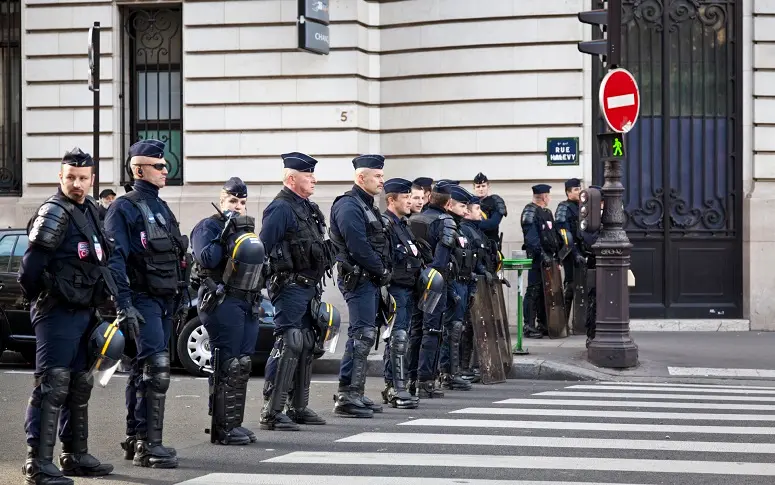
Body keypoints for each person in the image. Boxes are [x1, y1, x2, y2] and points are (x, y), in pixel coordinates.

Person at [19, 148, 115, 485]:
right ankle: (38, 463)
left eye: (83, 178)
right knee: (52, 384)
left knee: (79, 383)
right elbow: (29, 270)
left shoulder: (90, 211)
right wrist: (44, 301)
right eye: (70, 177)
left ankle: (75, 454)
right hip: (57, 312)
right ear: (60, 177)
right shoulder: (53, 211)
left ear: (91, 179)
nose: (77, 183)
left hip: (85, 310)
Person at [105, 139, 190, 469]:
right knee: (155, 368)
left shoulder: (162, 207)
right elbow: (115, 260)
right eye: (159, 166)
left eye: (166, 166)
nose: (165, 170)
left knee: (144, 369)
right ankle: (149, 446)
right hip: (141, 299)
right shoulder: (123, 208)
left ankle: (135, 438)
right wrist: (124, 304)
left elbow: (177, 256)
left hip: (164, 299)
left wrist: (182, 294)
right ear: (138, 169)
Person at [259, 152, 333, 430]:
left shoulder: (308, 208)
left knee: (305, 344)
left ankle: (297, 406)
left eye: (313, 174)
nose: (313, 179)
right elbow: (263, 247)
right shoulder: (280, 208)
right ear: (291, 178)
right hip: (289, 286)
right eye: (308, 175)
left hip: (308, 286)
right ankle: (272, 409)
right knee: (289, 342)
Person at [191, 177, 264, 445]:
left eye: (242, 202)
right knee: (228, 364)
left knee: (242, 364)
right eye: (232, 201)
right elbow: (206, 258)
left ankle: (234, 423)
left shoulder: (245, 229)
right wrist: (224, 234)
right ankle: (221, 427)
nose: (237, 207)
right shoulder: (208, 226)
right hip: (221, 301)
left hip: (246, 300)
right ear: (222, 201)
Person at [329, 154, 391, 417]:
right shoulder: (349, 205)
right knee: (360, 335)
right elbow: (358, 247)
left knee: (365, 335)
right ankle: (347, 395)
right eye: (377, 176)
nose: (382, 180)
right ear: (360, 177)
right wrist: (382, 270)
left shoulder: (367, 204)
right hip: (359, 279)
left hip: (370, 279)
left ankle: (356, 391)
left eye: (381, 175)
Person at [407, 180, 460, 398]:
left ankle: (410, 378)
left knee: (415, 330)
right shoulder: (446, 221)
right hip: (434, 283)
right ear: (448, 203)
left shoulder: (414, 218)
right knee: (432, 330)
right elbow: (441, 259)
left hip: (415, 280)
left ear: (430, 198)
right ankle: (425, 380)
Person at [380, 178, 423, 409]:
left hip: (408, 290)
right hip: (395, 290)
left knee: (401, 338)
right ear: (391, 200)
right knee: (397, 338)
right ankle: (396, 388)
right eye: (406, 197)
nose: (410, 201)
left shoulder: (403, 225)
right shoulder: (385, 224)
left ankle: (395, 386)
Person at [437, 185, 474, 391]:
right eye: (462, 206)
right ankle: (447, 372)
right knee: (451, 329)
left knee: (456, 329)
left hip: (463, 283)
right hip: (453, 283)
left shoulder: (460, 227)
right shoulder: (448, 225)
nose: (466, 211)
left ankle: (454, 370)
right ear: (450, 204)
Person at [520, 184, 561, 338]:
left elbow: (553, 235)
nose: (549, 198)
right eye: (548, 196)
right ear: (544, 197)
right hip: (537, 259)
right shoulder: (530, 211)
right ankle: (528, 326)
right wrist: (542, 254)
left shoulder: (547, 212)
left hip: (550, 258)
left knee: (546, 292)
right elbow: (531, 238)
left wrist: (557, 255)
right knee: (534, 290)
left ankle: (543, 323)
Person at [555, 178, 584, 319]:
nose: (579, 192)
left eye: (580, 188)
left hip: (584, 250)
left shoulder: (584, 206)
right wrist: (575, 253)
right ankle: (563, 321)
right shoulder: (564, 207)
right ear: (568, 192)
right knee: (570, 285)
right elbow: (565, 234)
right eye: (576, 189)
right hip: (570, 252)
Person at [473, 172, 508, 249]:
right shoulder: (470, 202)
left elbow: (493, 223)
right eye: (478, 186)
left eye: (483, 186)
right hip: (474, 244)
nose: (481, 189)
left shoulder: (495, 201)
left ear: (488, 186)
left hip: (491, 244)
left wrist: (473, 224)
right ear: (474, 188)